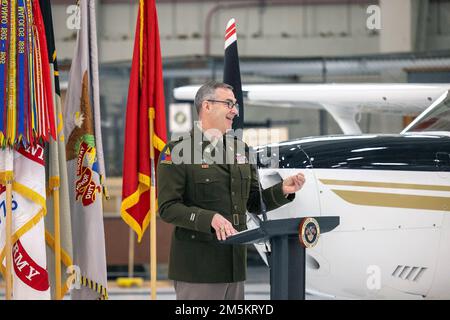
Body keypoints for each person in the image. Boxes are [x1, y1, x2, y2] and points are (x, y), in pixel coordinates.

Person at [157, 81, 305, 300]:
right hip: (199, 269)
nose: (235, 111)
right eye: (228, 104)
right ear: (206, 106)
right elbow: (167, 208)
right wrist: (210, 218)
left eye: (234, 104)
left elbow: (253, 202)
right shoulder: (178, 150)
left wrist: (281, 190)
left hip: (234, 266)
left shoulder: (240, 149)